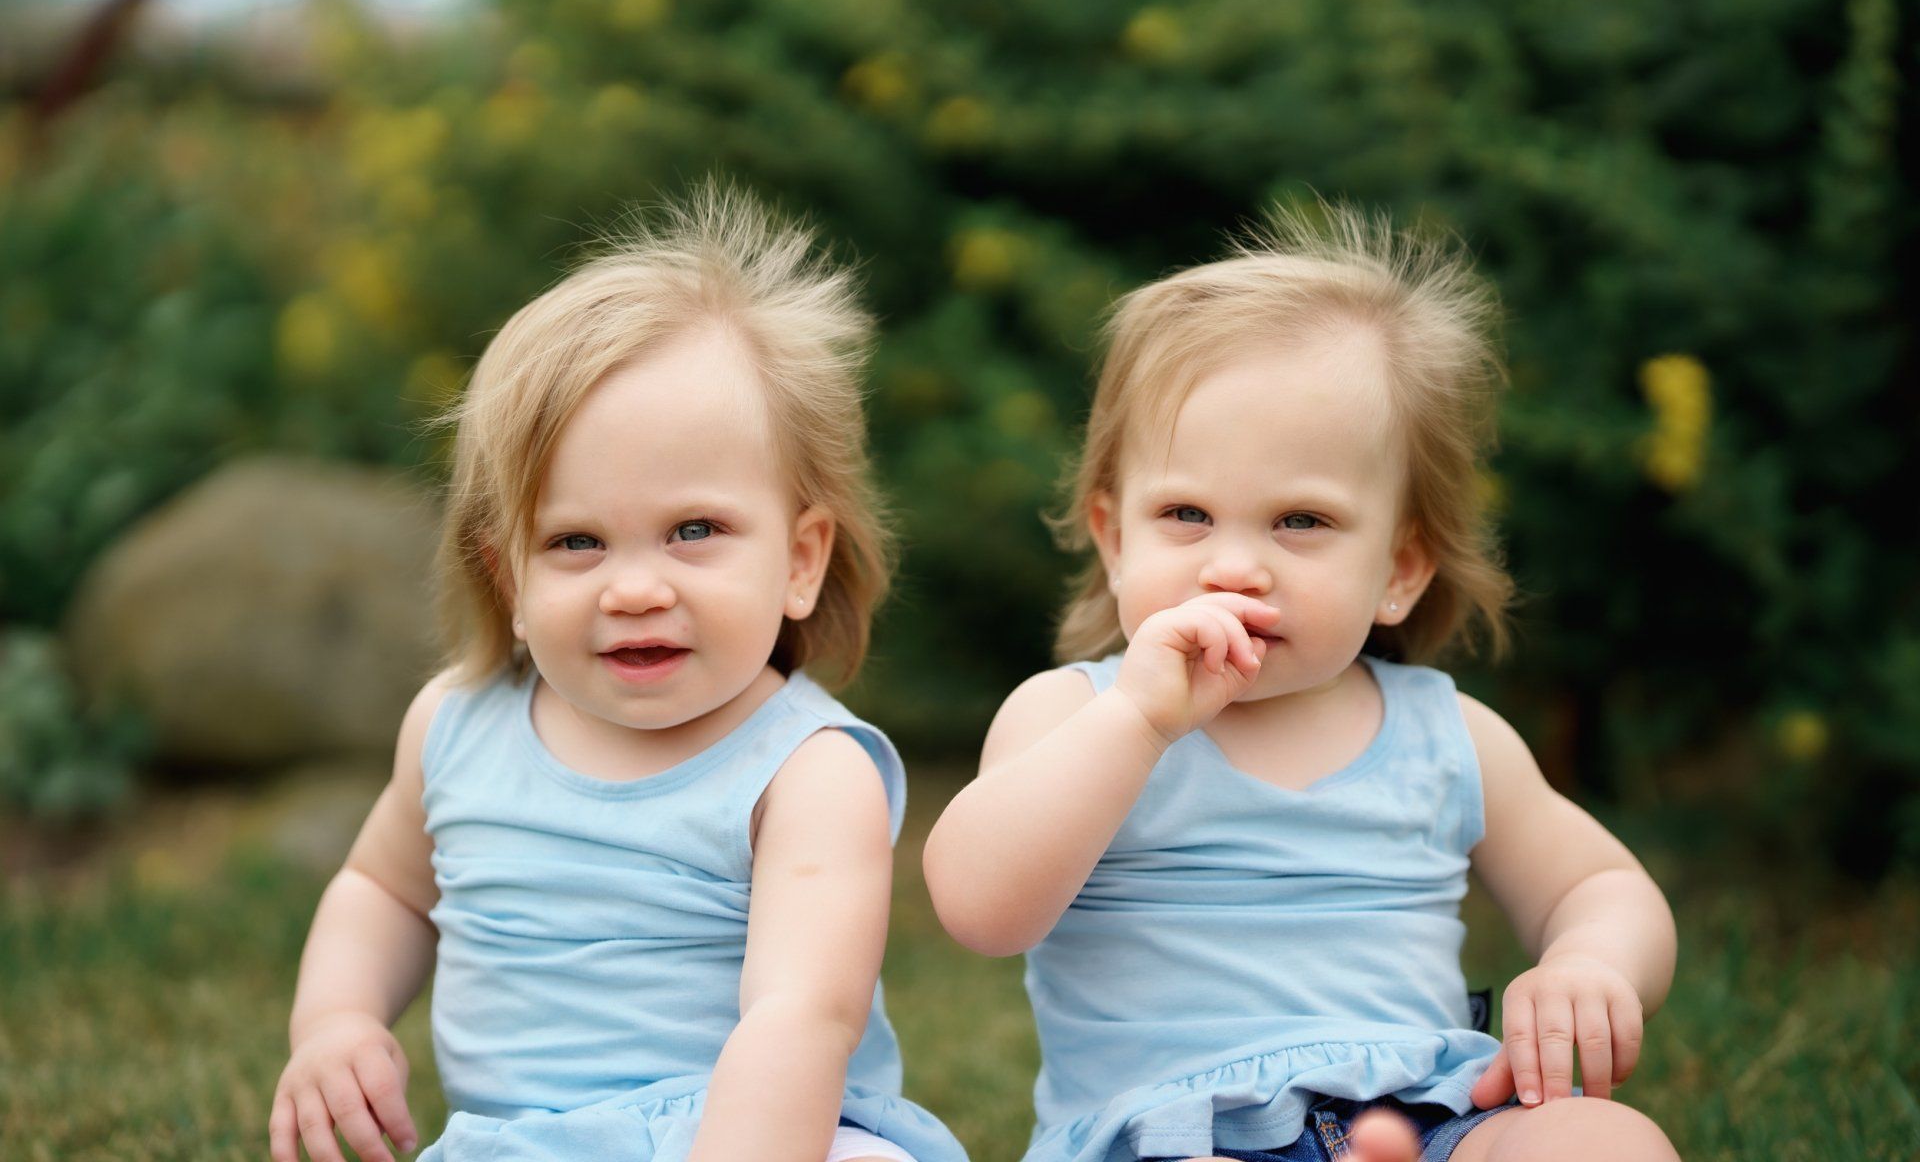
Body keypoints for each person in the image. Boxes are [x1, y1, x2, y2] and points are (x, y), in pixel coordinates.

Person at [922, 207, 1679, 1162]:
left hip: (1430, 1113)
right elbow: (979, 909)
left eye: (1302, 522)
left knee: (1605, 1141)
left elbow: (1600, 883)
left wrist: (1589, 961)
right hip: (1170, 1134)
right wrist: (1139, 724)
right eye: (1186, 514)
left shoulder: (1448, 737)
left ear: (1400, 569)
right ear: (1115, 541)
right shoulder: (1075, 716)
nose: (1235, 568)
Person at [269, 187, 967, 1162]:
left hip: (770, 1128)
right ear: (507, 578)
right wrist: (337, 1019)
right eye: (577, 541)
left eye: (694, 530)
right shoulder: (455, 725)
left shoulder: (808, 771)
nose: (635, 588)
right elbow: (383, 889)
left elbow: (804, 1012)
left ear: (801, 560)